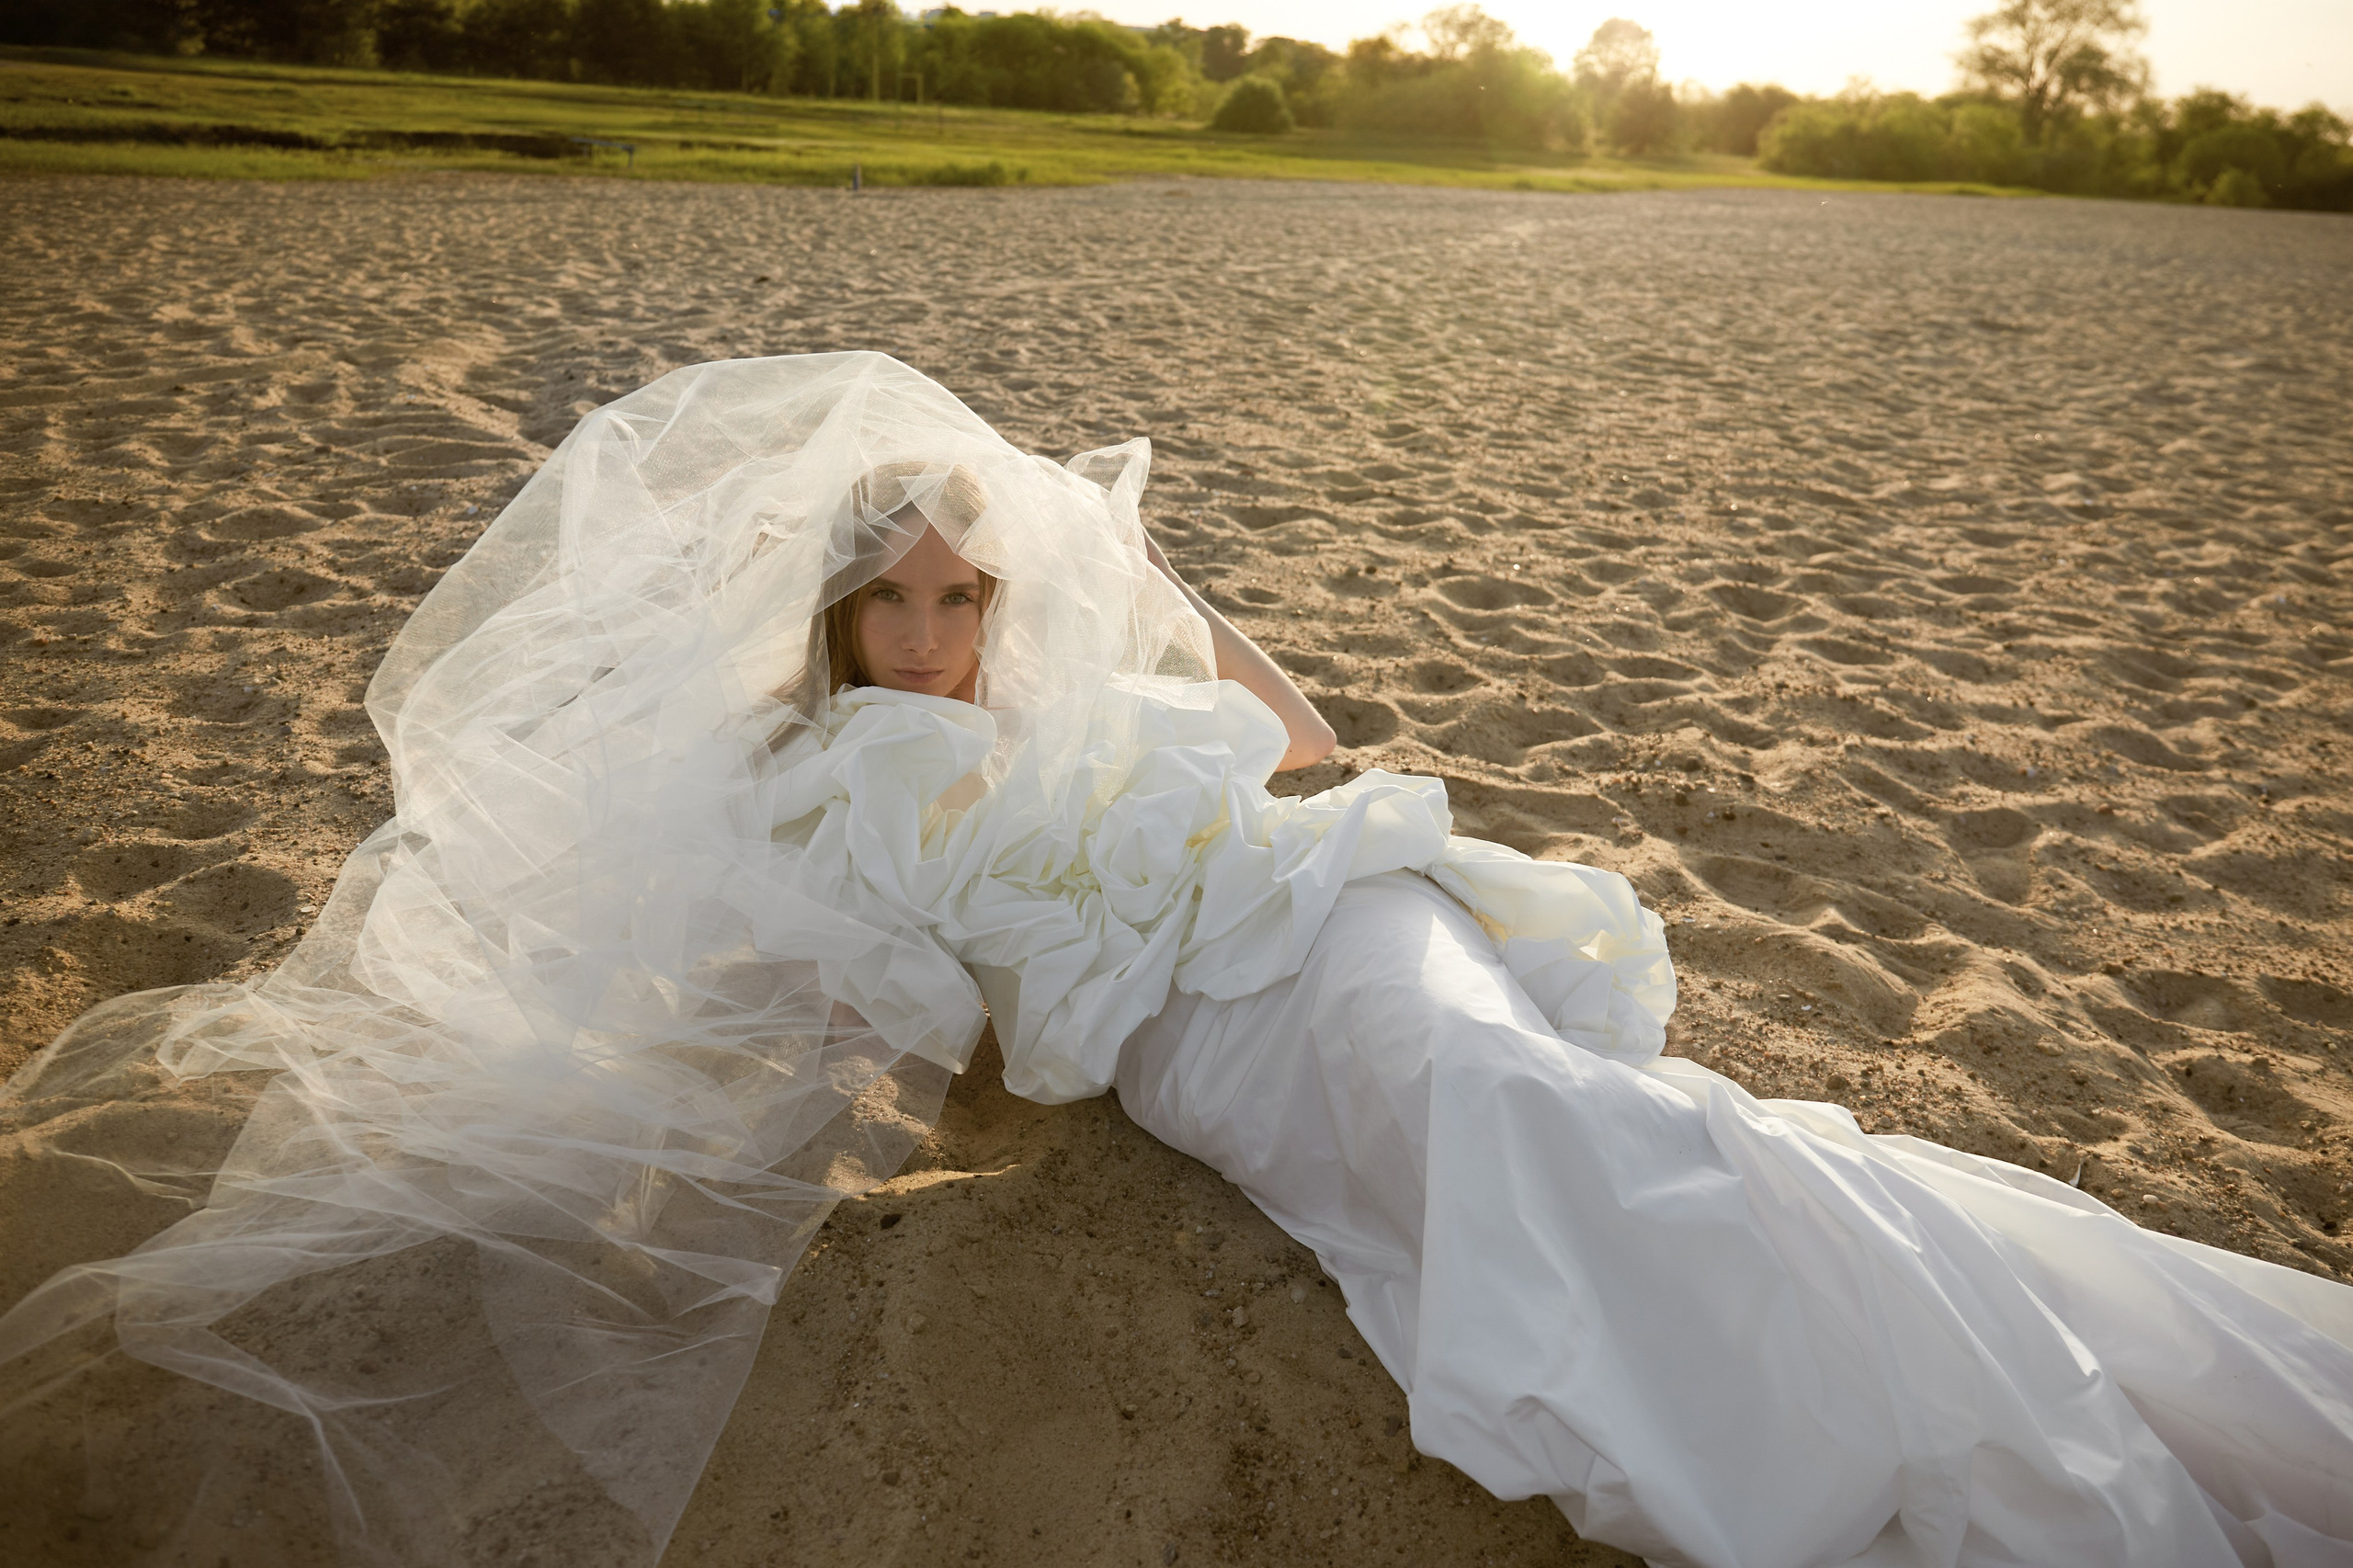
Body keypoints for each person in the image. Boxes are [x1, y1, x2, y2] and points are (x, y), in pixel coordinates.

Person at [1, 354, 2346, 1568]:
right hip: (1203, 1035)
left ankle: (1953, 1422)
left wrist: (1105, 569)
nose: (932, 626)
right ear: (827, 614)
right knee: (1527, 1142)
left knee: (1537, 1118)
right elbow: (863, 1041)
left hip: (1336, 912)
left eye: (963, 585)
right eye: (892, 593)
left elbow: (1306, 750)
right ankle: (1949, 1409)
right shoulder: (802, 787)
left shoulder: (1054, 680)